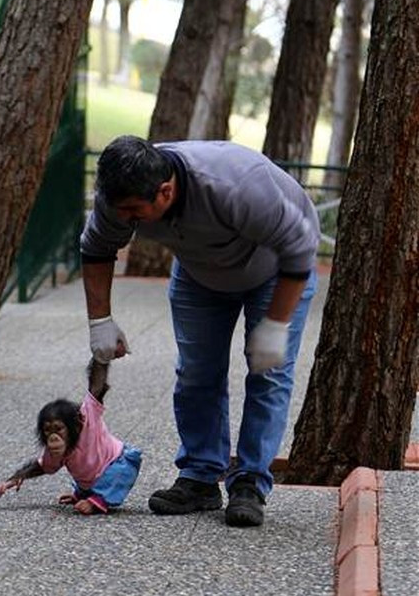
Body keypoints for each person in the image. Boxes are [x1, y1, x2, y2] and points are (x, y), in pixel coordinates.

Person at [80, 135, 320, 526]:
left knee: (268, 373)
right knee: (196, 374)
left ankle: (249, 483)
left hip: (276, 272)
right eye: (119, 211)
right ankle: (200, 476)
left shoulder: (236, 185)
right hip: (199, 274)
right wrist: (100, 321)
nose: (124, 221)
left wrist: (276, 326)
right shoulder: (119, 198)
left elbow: (299, 249)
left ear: (166, 190)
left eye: (134, 213)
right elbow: (96, 248)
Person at [0, 359, 142, 514]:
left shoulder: (86, 419)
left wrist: (102, 355)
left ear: (75, 426)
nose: (53, 438)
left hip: (117, 463)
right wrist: (17, 476)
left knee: (117, 473)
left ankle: (99, 500)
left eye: (58, 429)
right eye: (48, 431)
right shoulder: (55, 451)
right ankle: (85, 494)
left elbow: (97, 386)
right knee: (82, 479)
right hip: (90, 476)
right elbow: (42, 466)